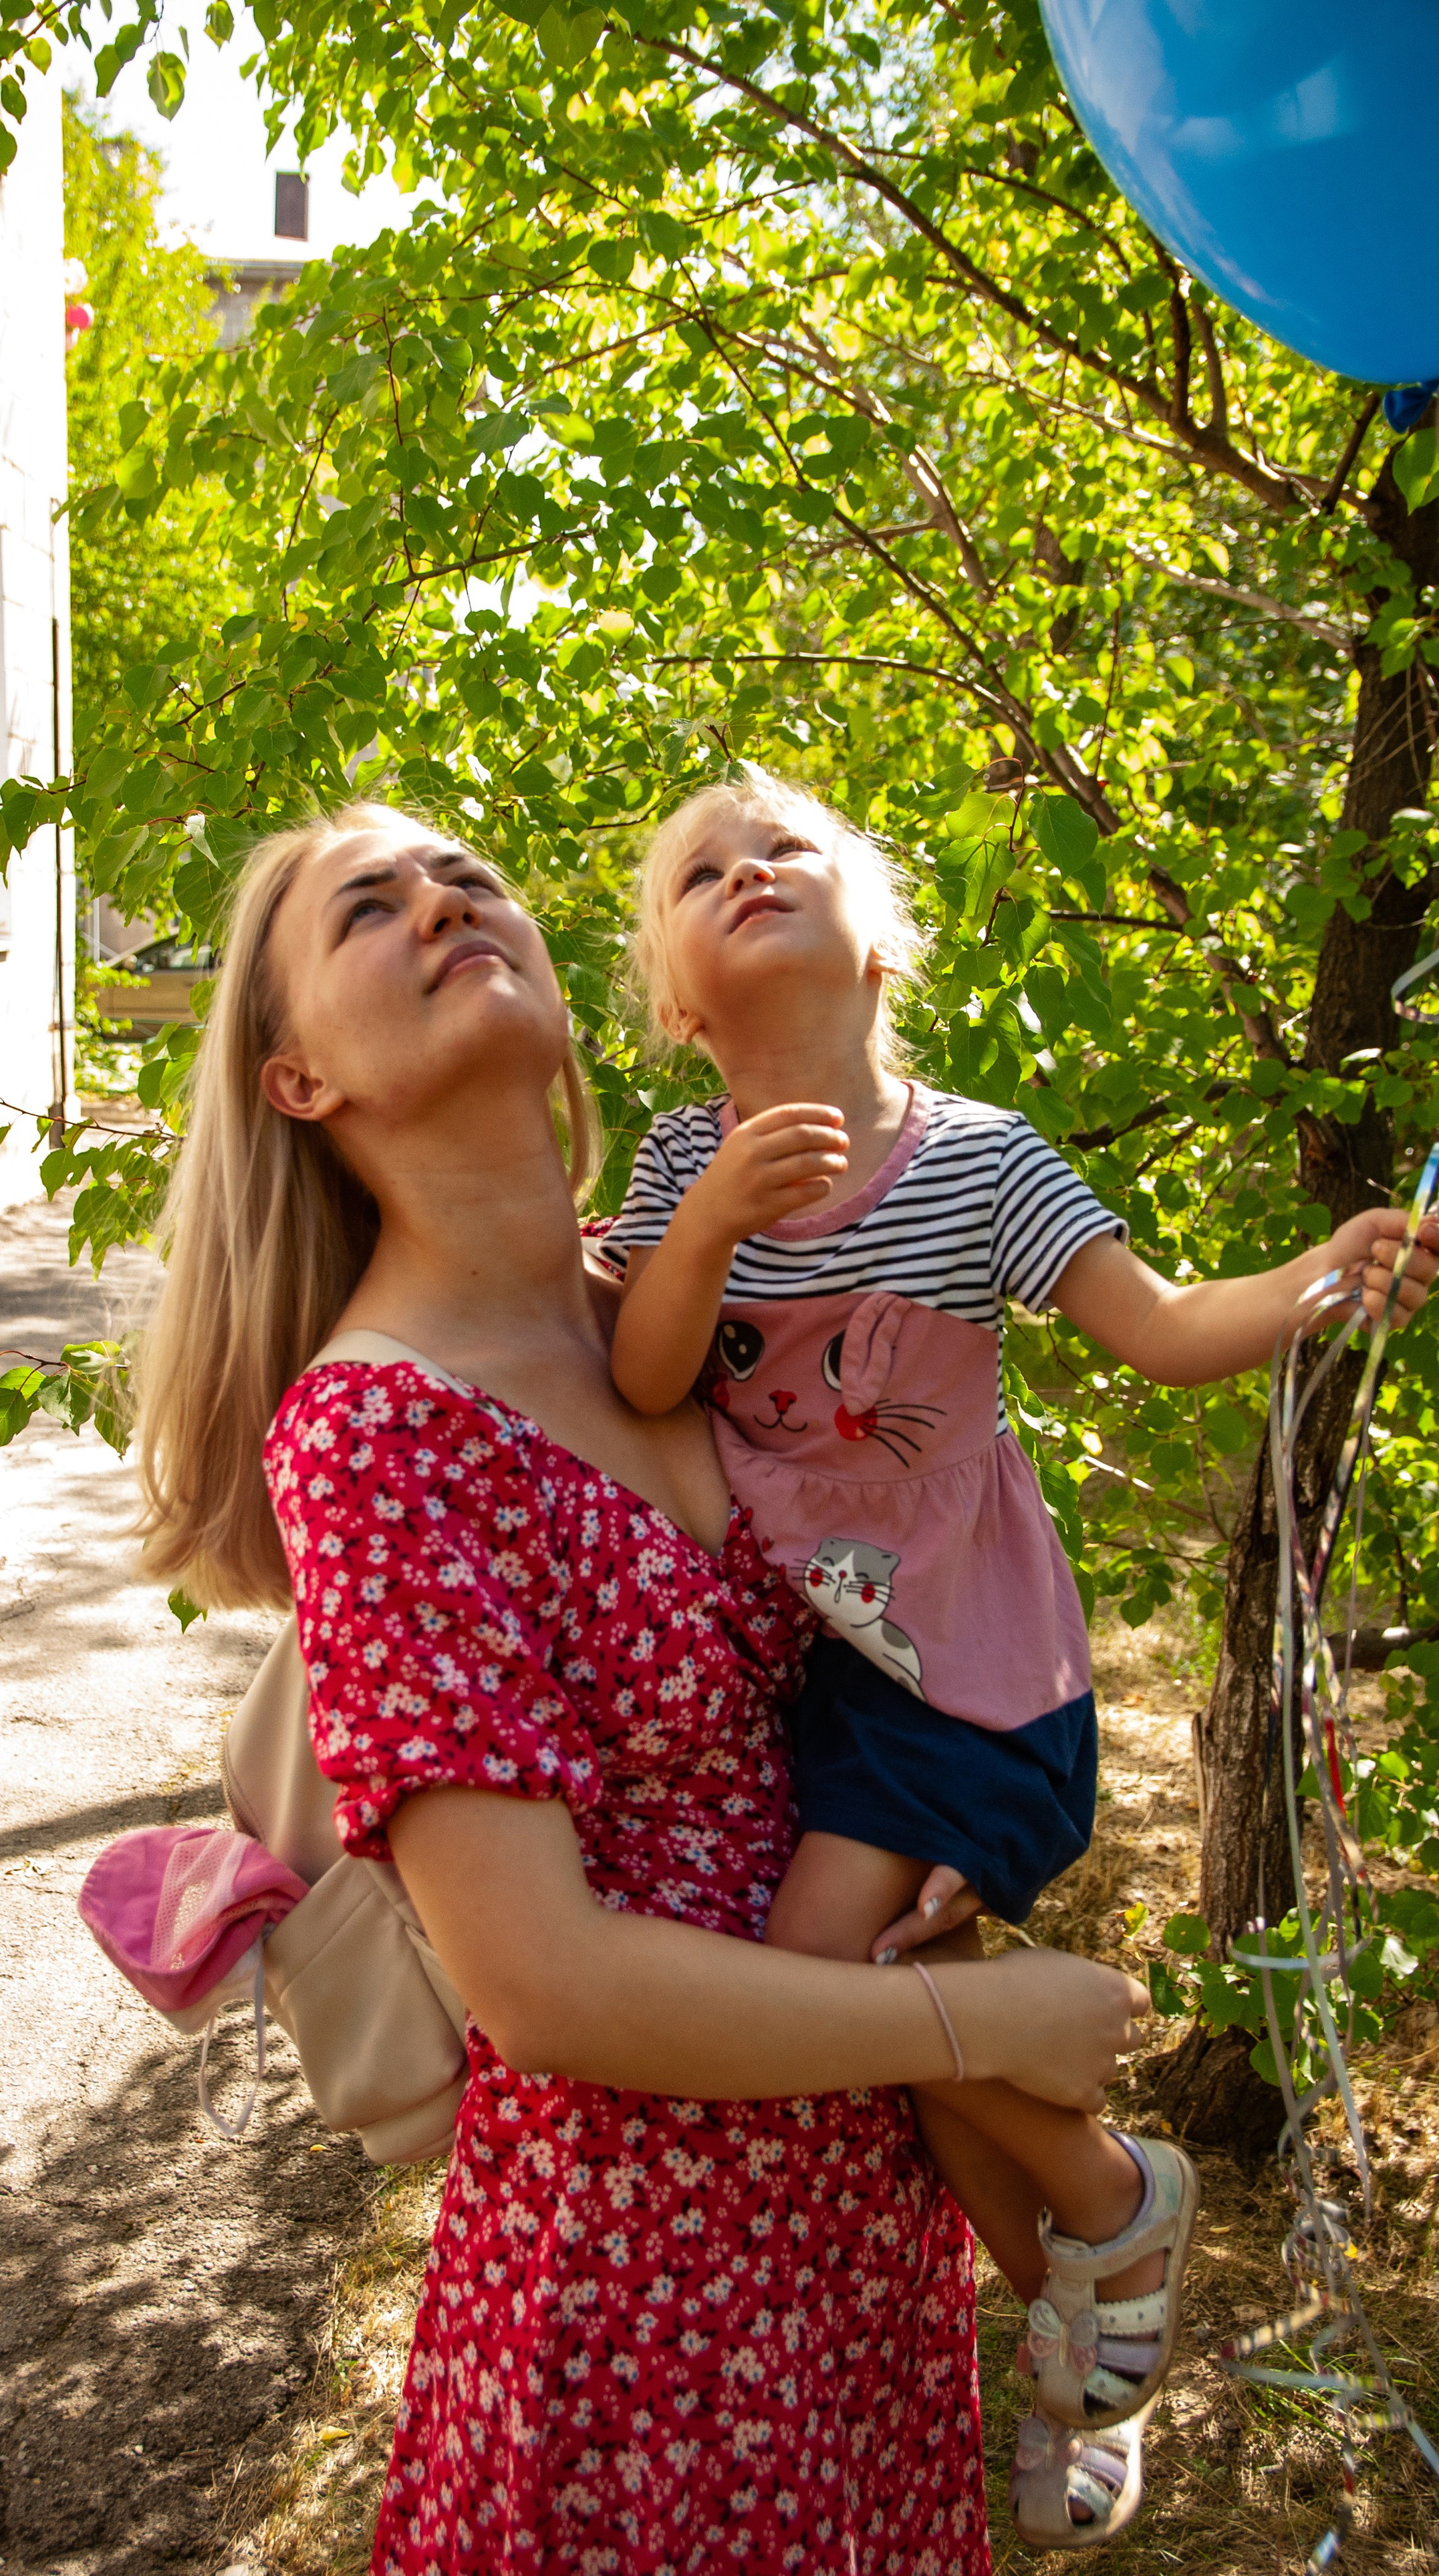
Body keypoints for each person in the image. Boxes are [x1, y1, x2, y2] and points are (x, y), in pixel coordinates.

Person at [133, 799, 1154, 2572]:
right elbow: (546, 1988)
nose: (442, 899)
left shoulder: (682, 1311)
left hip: (862, 2265)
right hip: (638, 2318)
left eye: (468, 873)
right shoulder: (380, 1431)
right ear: (300, 1079)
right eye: (370, 906)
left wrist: (937, 1817)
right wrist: (987, 2024)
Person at [603, 765, 1439, 2544]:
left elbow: (1159, 1330)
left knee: (820, 1973)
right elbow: (646, 1375)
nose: (747, 868)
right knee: (907, 2052)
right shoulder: (679, 1165)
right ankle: (1076, 2321)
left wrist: (1309, 1280)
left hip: (966, 1674)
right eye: (702, 867)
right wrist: (706, 1223)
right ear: (676, 996)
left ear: (880, 943)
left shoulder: (979, 1163)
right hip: (822, 1675)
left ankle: (1114, 2185)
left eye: (789, 851)